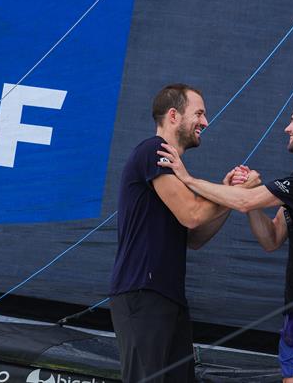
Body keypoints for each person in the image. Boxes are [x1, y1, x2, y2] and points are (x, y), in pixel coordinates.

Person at [157, 96, 293, 383]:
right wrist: (256, 191)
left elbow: (245, 201)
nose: (287, 128)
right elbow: (271, 239)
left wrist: (188, 179)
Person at [109, 83, 255, 383]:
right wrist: (233, 194)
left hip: (168, 297)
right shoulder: (154, 150)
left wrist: (228, 199)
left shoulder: (174, 169)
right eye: (199, 113)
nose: (205, 122)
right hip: (143, 292)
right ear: (173, 115)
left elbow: (196, 237)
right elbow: (192, 215)